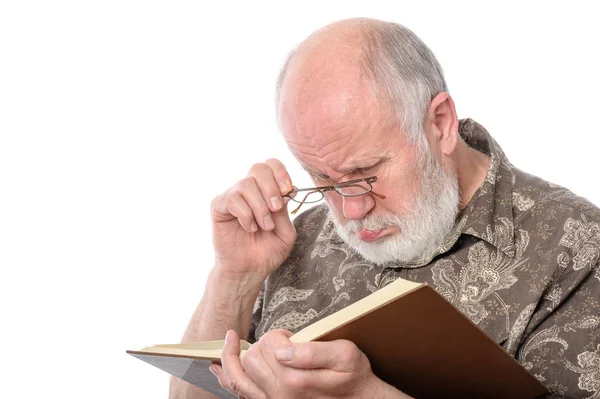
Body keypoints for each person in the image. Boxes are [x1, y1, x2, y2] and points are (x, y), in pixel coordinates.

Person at [170, 18, 600, 399]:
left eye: (365, 172)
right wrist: (235, 280)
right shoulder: (295, 236)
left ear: (440, 124)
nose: (350, 210)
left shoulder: (576, 245)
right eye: (321, 178)